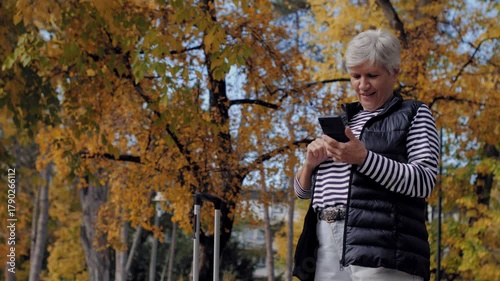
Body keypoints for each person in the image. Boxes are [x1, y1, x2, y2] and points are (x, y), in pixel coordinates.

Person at [292, 29, 440, 281]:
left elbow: (424, 181)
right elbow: (302, 192)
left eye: (372, 75)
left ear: (394, 72)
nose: (362, 85)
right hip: (325, 243)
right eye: (355, 76)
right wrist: (309, 166)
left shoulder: (415, 113)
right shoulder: (341, 122)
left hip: (383, 248)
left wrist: (364, 158)